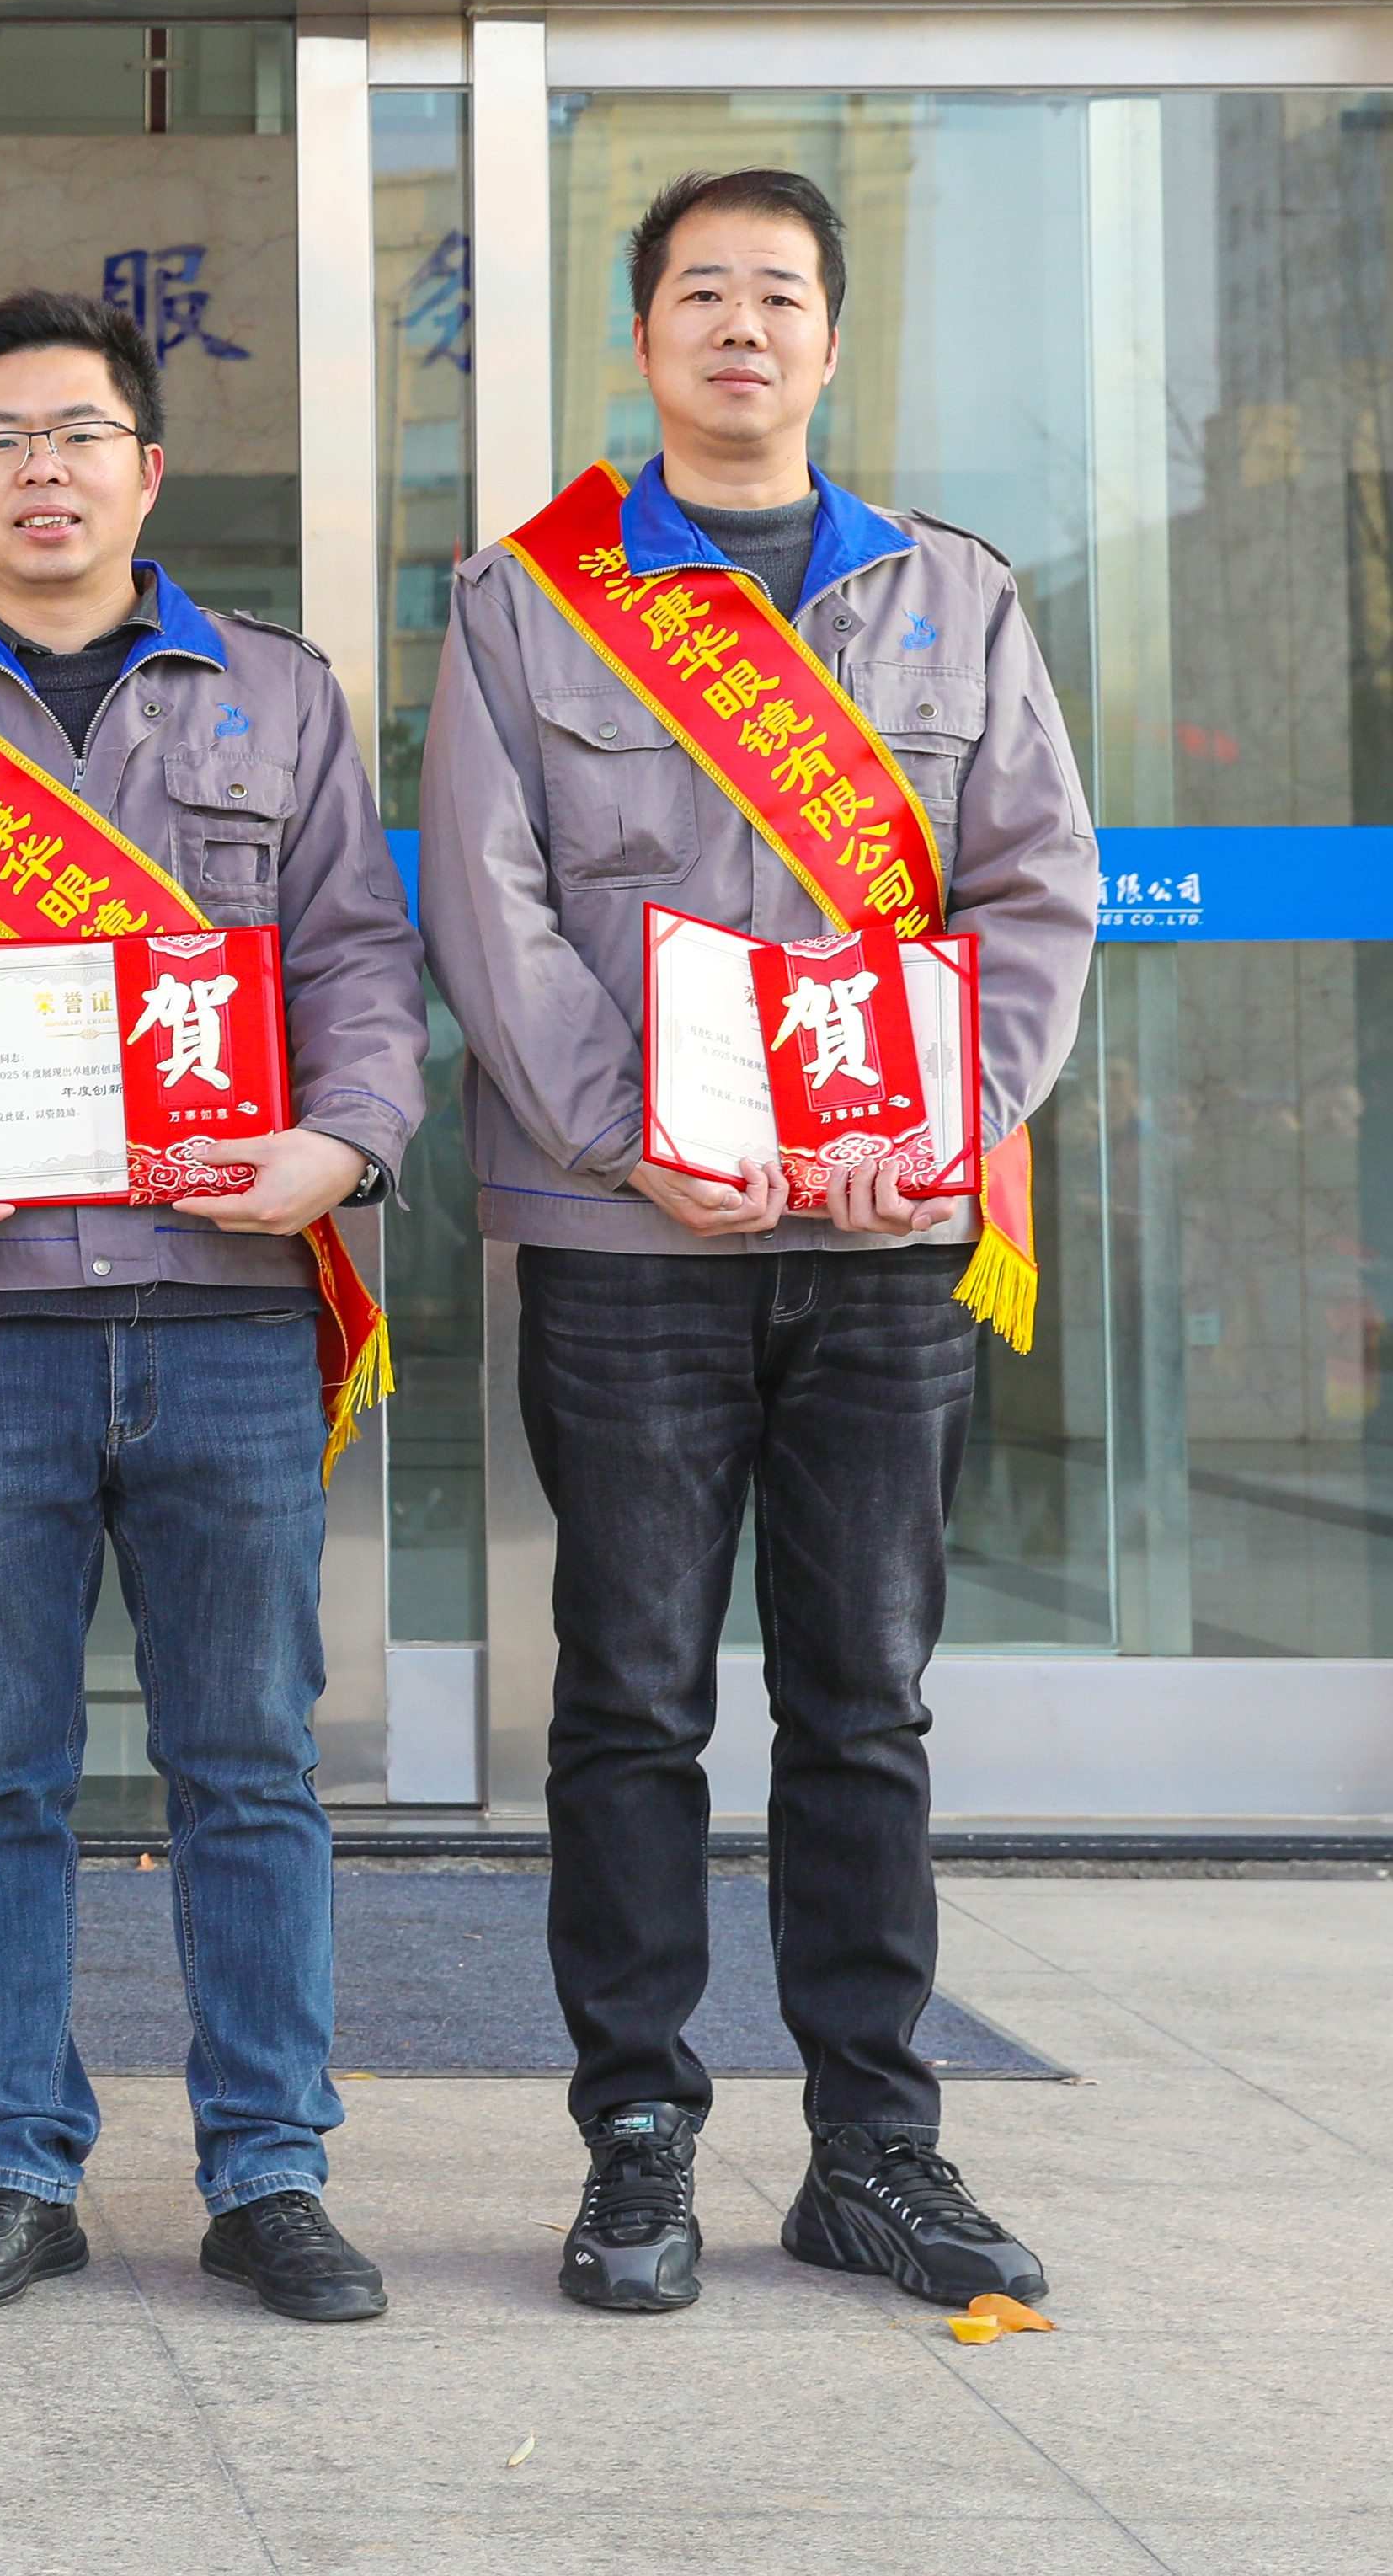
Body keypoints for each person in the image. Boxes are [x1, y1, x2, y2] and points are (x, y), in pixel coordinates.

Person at [419, 164, 1097, 2317]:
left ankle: (873, 2147)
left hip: (885, 1241)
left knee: (863, 1699)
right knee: (627, 1698)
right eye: (699, 291)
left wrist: (946, 1116)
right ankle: (635, 2140)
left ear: (828, 337)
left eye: (777, 293)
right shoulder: (525, 601)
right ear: (642, 338)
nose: (739, 324)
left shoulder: (952, 596)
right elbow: (487, 903)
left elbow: (1034, 887)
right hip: (630, 1243)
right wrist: (630, 1134)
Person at [0, 287, 426, 2321]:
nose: (45, 469)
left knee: (251, 1763)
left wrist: (347, 1140)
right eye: (4, 439)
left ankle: (270, 2169)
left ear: (148, 468)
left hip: (225, 1311)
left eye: (80, 433)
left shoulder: (277, 694)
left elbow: (358, 961)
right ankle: (12, 2167)